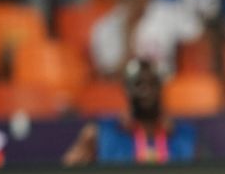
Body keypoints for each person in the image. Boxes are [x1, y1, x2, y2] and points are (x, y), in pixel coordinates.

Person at [62, 57, 198, 166]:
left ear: (160, 88)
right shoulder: (99, 134)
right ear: (126, 89)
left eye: (152, 84)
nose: (146, 91)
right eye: (138, 84)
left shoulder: (185, 137)